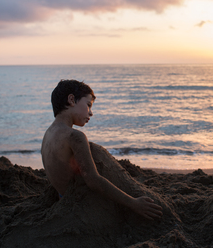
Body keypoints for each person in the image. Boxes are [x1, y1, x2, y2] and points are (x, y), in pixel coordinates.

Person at [41, 79, 163, 220]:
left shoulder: (48, 134)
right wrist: (133, 203)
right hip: (79, 206)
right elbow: (93, 180)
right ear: (71, 100)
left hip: (62, 198)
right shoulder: (75, 136)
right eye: (88, 105)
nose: (91, 113)